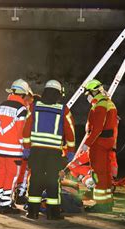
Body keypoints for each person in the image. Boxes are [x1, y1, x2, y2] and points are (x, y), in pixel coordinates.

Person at [23, 80, 76, 220]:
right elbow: (70, 131)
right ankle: (53, 214)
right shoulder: (63, 109)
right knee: (53, 181)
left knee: (35, 180)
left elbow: (26, 129)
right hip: (54, 153)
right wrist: (70, 151)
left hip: (36, 151)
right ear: (58, 93)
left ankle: (32, 212)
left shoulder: (34, 106)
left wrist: (27, 148)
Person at [0, 79, 30, 214]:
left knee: (0, 174)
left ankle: (0, 202)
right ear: (23, 94)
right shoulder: (22, 110)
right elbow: (20, 131)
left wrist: (1, 126)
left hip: (0, 149)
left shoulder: (0, 105)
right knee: (11, 177)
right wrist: (26, 147)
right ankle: (5, 205)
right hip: (14, 151)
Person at [81, 79, 118, 212]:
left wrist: (87, 143)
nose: (88, 97)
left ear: (94, 91)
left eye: (88, 93)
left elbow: (97, 128)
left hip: (99, 144)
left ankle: (101, 205)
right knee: (106, 173)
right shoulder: (109, 102)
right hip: (107, 142)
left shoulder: (100, 105)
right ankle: (107, 202)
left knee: (98, 174)